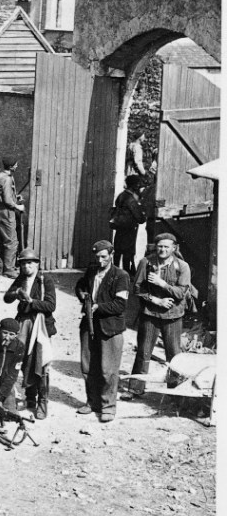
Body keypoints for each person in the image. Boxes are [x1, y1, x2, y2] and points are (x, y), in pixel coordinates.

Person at [75, 240, 129, 423]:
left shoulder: (120, 276)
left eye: (103, 257)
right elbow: (80, 286)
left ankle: (108, 406)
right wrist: (83, 296)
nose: (100, 261)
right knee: (88, 366)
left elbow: (120, 304)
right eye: (97, 257)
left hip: (110, 328)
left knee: (108, 370)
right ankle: (92, 402)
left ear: (111, 255)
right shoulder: (91, 271)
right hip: (89, 326)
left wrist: (98, 307)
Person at [3, 249, 56, 420]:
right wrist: (16, 293)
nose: (27, 266)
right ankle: (30, 399)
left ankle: (43, 401)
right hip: (23, 323)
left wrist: (31, 301)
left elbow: (50, 305)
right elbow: (7, 298)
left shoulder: (44, 280)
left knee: (40, 363)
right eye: (24, 263)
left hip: (40, 325)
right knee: (24, 360)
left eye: (30, 263)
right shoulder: (21, 279)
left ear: (37, 264)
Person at [131, 233, 193, 377]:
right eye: (160, 246)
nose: (162, 250)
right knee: (143, 352)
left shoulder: (182, 266)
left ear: (174, 248)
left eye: (166, 246)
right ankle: (136, 387)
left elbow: (180, 293)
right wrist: (155, 300)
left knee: (174, 355)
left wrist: (162, 284)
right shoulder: (146, 262)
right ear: (155, 247)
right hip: (150, 315)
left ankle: (173, 393)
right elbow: (137, 288)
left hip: (173, 316)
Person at [0, 318, 25, 421]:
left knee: (10, 415)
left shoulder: (19, 346)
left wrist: (0, 397)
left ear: (17, 334)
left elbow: (12, 375)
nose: (7, 337)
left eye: (11, 334)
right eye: (4, 333)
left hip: (3, 383)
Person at [0, 158, 24, 278]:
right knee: (11, 241)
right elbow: (7, 200)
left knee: (1, 240)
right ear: (11, 167)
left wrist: (15, 197)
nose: (17, 166)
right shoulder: (7, 179)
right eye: (15, 164)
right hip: (6, 212)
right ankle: (9, 270)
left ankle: (1, 267)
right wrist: (18, 207)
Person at [111, 175, 146, 276]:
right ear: (135, 185)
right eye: (138, 184)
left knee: (118, 250)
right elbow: (140, 218)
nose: (139, 187)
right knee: (128, 252)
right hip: (129, 228)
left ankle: (115, 272)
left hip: (120, 227)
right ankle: (127, 273)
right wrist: (143, 216)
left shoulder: (121, 195)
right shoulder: (131, 199)